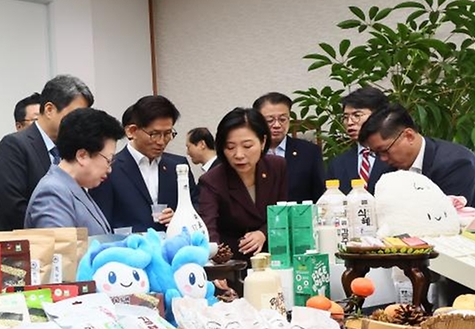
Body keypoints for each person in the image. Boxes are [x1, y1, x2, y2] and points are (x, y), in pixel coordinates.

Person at [0, 75, 93, 231]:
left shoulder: (72, 149)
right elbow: (12, 207)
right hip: (27, 244)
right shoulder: (15, 144)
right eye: (75, 115)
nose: (81, 123)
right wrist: (56, 227)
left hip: (68, 242)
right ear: (49, 109)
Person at [91, 95, 196, 234]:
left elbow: (197, 206)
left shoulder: (178, 166)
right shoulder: (110, 169)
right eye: (155, 134)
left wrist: (179, 217)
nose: (161, 141)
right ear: (132, 131)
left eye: (168, 134)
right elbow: (101, 221)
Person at [198, 107, 288, 260]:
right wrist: (217, 262)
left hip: (275, 255)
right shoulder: (212, 180)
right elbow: (208, 227)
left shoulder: (276, 166)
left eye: (247, 146)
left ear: (263, 141)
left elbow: (282, 210)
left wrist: (263, 233)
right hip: (233, 260)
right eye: (230, 147)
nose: (239, 155)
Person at [359, 104, 475, 207]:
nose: (382, 158)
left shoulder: (456, 163)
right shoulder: (387, 167)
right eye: (376, 153)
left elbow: (446, 218)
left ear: (409, 136)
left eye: (384, 150)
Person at [25, 107, 124, 235]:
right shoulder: (52, 193)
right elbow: (60, 250)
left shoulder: (72, 187)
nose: (109, 169)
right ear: (82, 155)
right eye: (108, 160)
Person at [254, 92, 325, 203]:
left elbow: (319, 195)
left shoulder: (309, 152)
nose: (277, 125)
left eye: (282, 119)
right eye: (269, 120)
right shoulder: (249, 153)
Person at [325, 86, 391, 193]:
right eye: (345, 117)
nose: (350, 122)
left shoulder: (396, 156)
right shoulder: (338, 164)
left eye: (357, 115)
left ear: (379, 115)